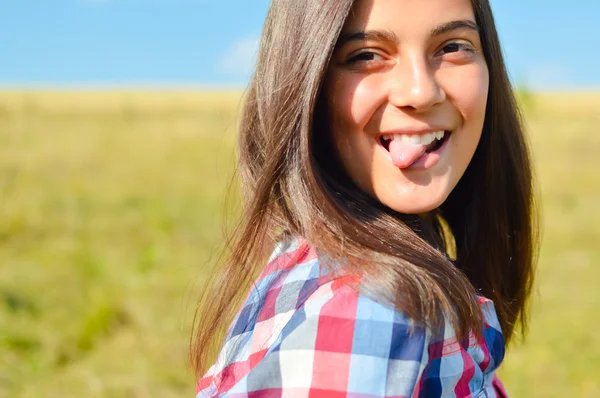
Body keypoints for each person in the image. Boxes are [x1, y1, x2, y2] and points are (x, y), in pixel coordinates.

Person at [192, 0, 538, 396]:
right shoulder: (370, 308)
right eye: (366, 55)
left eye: (452, 47)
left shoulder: (338, 275)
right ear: (308, 84)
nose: (420, 92)